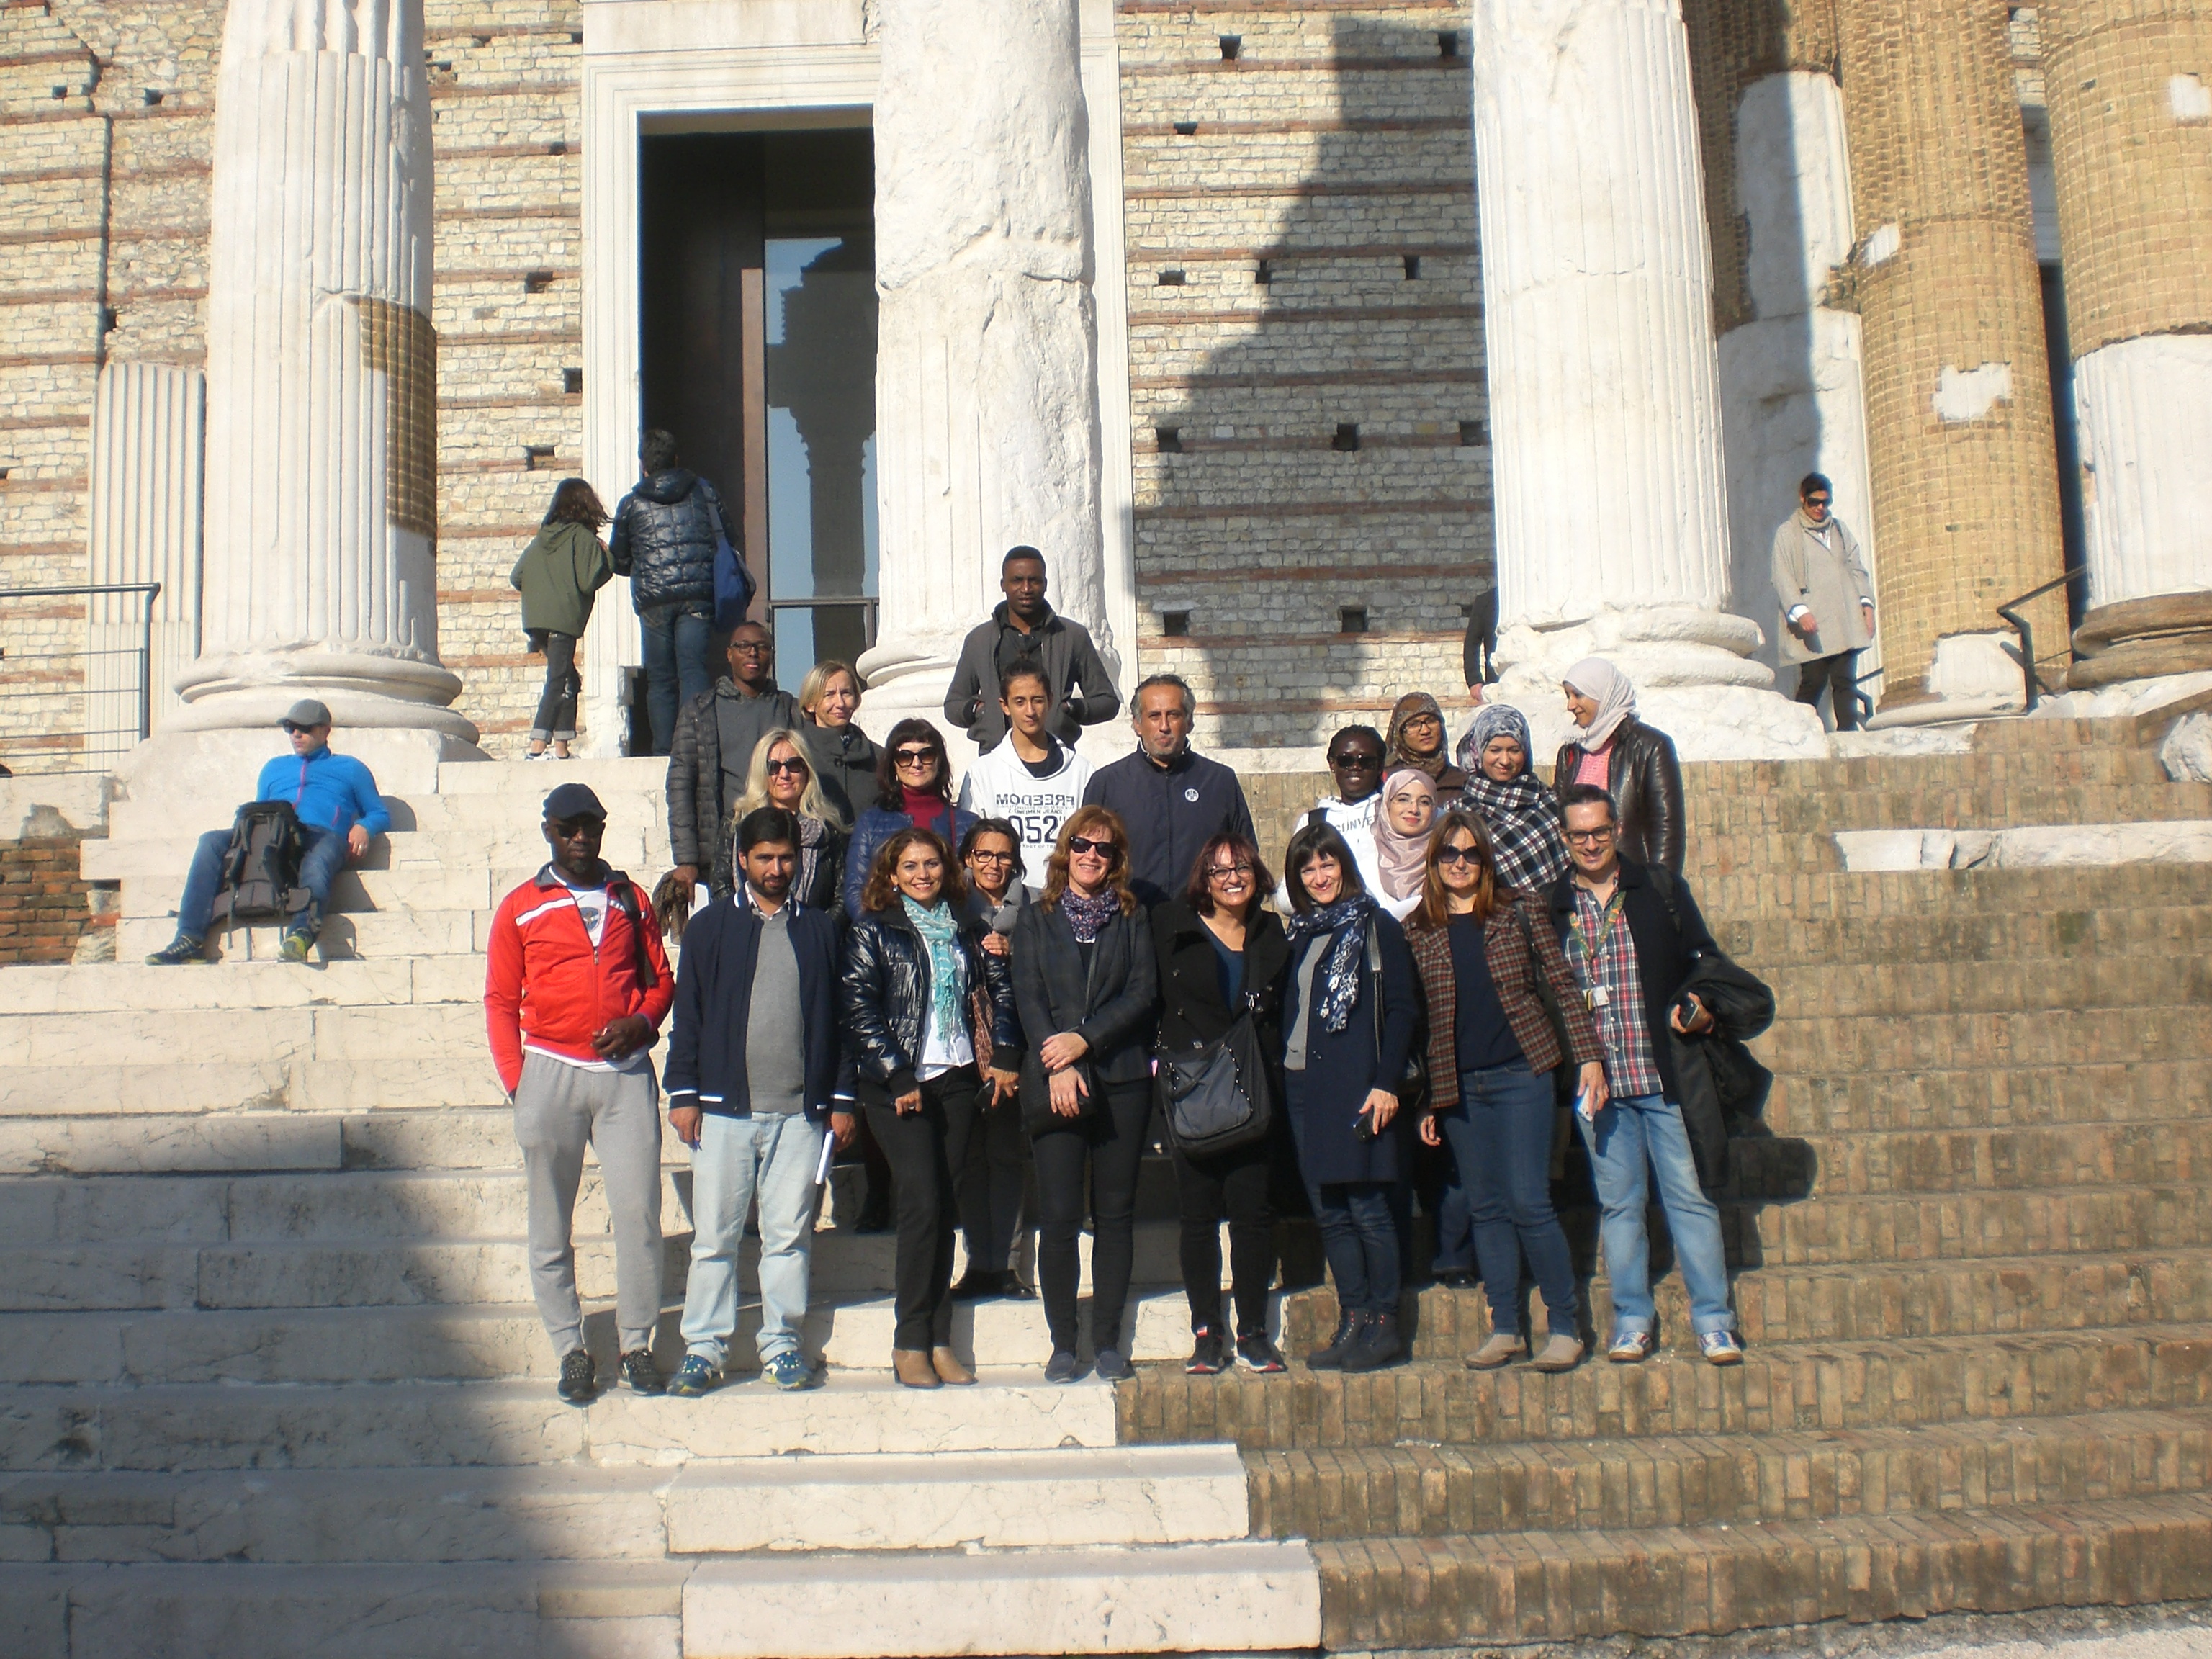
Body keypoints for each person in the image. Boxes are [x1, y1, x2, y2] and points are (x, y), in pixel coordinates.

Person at [483, 783, 675, 1405]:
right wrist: (518, 1082)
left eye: (590, 827)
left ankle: (636, 1342)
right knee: (550, 1223)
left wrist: (642, 1022)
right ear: (549, 832)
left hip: (624, 1074)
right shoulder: (521, 906)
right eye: (568, 829)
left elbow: (661, 979)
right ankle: (570, 1346)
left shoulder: (630, 898)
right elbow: (500, 999)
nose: (580, 838)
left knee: (638, 1215)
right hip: (550, 1069)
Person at [663, 808, 856, 1397]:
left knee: (789, 1238)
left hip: (800, 1115)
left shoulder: (820, 930)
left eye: (786, 858)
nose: (776, 868)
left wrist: (842, 1096)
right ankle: (703, 1348)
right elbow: (689, 1014)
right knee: (715, 1240)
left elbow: (840, 1022)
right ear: (742, 860)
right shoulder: (710, 928)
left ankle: (781, 1344)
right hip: (724, 1111)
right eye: (765, 857)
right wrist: (684, 1092)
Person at [1549, 783, 1743, 1367]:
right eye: (1578, 835)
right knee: (1620, 1207)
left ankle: (1714, 1321)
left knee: (1690, 1200)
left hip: (1662, 1077)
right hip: (1599, 1087)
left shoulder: (1658, 889)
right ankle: (1632, 1319)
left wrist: (1700, 1005)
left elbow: (1704, 959)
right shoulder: (1553, 904)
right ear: (1564, 838)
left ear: (1617, 830)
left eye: (1600, 832)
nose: (1590, 844)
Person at [1408, 809, 1606, 1374]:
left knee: (1528, 1201)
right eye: (1450, 854)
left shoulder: (1518, 909)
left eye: (1471, 853)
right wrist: (1427, 1097)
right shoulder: (1419, 928)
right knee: (1487, 1207)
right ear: (1435, 861)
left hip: (1523, 1071)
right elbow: (1420, 1018)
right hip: (1460, 1085)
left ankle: (1565, 1324)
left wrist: (1589, 1054)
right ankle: (1505, 1326)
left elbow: (1560, 981)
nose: (1460, 863)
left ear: (1486, 859)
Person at [840, 827, 1020, 1388]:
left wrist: (1006, 1053)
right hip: (899, 1088)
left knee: (946, 1207)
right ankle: (910, 1340)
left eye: (932, 864)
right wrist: (896, 1074)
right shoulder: (874, 931)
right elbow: (859, 1007)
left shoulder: (969, 928)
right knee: (921, 1203)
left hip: (958, 1079)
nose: (923, 875)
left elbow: (1000, 992)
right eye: (911, 866)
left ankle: (940, 1340)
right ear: (892, 876)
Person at [1012, 807, 1160, 1383]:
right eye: (1081, 844)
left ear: (1116, 858)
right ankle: (1063, 1343)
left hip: (1121, 1076)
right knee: (1059, 1215)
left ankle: (1106, 1340)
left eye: (1103, 848)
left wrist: (1085, 1039)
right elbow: (1028, 996)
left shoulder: (1132, 916)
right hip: (1056, 1079)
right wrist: (1059, 1060)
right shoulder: (1036, 917)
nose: (1091, 855)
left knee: (1115, 1215)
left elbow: (1142, 992)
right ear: (1065, 850)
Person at [1279, 822, 1419, 1374]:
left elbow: (1403, 1008)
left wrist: (1386, 1082)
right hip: (1303, 1082)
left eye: (1327, 863)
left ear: (1345, 865)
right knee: (1331, 1212)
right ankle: (1353, 1316)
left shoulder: (1376, 925)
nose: (1319, 876)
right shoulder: (1301, 933)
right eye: (1308, 868)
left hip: (1357, 1084)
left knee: (1366, 1207)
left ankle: (1384, 1322)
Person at [1152, 833, 1290, 1375]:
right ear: (1204, 880)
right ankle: (1207, 1331)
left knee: (1253, 1217)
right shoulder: (1172, 927)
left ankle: (1253, 1330)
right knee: (1199, 1217)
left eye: (1243, 869)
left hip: (1253, 1089)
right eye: (1220, 870)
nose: (1233, 878)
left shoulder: (1270, 933)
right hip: (1193, 1091)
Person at [146, 700, 392, 966]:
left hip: (321, 835)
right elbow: (260, 809)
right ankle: (189, 938)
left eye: (305, 728)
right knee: (211, 841)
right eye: (290, 728)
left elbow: (379, 813)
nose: (296, 734)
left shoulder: (351, 768)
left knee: (318, 859)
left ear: (325, 730)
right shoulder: (274, 768)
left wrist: (364, 827)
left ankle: (301, 933)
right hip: (277, 831)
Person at [609, 428, 734, 755]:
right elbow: (727, 536)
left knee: (661, 678)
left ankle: (665, 751)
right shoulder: (703, 492)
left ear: (643, 465)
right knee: (693, 669)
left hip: (654, 600)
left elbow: (618, 559)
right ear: (676, 459)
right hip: (697, 595)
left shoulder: (631, 504)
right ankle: (695, 746)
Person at [1082, 674, 1255, 909]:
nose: (1164, 727)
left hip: (1203, 921)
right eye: (1154, 716)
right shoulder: (1107, 784)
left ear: (1189, 722)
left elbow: (1247, 859)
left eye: (1173, 715)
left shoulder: (1220, 781)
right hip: (1130, 921)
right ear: (1137, 724)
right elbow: (1085, 861)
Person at [951, 819, 1035, 1301]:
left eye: (1003, 856)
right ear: (968, 858)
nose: (993, 865)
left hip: (1013, 1050)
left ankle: (1006, 1264)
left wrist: (1015, 949)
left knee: (1005, 1156)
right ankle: (976, 1262)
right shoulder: (950, 905)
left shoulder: (1037, 908)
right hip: (961, 1052)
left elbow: (1053, 967)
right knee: (970, 1158)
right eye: (984, 854)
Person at [666, 622, 804, 902]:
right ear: (729, 654)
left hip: (780, 846)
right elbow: (680, 786)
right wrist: (686, 859)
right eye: (743, 646)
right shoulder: (700, 711)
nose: (753, 653)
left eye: (762, 647)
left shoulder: (790, 709)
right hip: (725, 847)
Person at [944, 546, 1121, 752]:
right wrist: (982, 711)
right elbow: (953, 704)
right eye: (1017, 580)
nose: (1026, 589)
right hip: (995, 756)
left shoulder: (1072, 636)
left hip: (1056, 755)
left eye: (1034, 581)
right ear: (1003, 585)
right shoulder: (980, 640)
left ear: (1045, 585)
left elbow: (1107, 702)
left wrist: (1068, 710)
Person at [958, 658, 1094, 889]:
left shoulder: (1081, 771)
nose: (1030, 711)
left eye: (1037, 700)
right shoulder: (982, 773)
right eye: (1020, 702)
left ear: (1050, 701)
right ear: (1004, 705)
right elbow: (972, 849)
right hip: (1005, 899)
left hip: (1065, 897)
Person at [511, 477, 614, 760]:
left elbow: (516, 577)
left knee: (570, 680)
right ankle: (537, 746)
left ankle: (562, 748)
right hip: (563, 620)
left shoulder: (542, 538)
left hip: (536, 621)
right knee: (558, 679)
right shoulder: (582, 537)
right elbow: (588, 581)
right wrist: (608, 559)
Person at [1552, 657, 1683, 873]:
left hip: (1633, 878)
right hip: (1581, 880)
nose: (1571, 705)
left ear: (1602, 693)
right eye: (1568, 696)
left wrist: (1661, 885)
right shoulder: (1571, 752)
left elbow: (1666, 826)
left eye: (1578, 695)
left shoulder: (1649, 747)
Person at [1771, 472, 1876, 732]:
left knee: (1845, 680)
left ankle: (1848, 733)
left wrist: (1867, 606)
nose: (1820, 508)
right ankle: (1797, 732)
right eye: (1814, 502)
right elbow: (1782, 575)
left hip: (1845, 619)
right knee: (1814, 679)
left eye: (1825, 502)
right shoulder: (1789, 533)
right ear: (1803, 499)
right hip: (1814, 620)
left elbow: (1856, 568)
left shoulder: (1838, 530)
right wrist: (1800, 611)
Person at [842, 718, 977, 920]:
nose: (916, 764)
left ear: (939, 761)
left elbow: (976, 891)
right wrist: (882, 931)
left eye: (926, 755)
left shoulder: (967, 824)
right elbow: (855, 890)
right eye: (905, 756)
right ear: (893, 764)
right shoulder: (870, 822)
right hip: (889, 931)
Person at [719, 729, 848, 911]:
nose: (784, 774)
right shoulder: (736, 823)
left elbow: (842, 897)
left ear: (807, 770)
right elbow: (721, 885)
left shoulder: (828, 829)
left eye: (794, 765)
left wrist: (817, 926)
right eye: (773, 767)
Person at [1456, 703, 1570, 895]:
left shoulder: (1548, 800)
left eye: (1514, 750)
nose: (1505, 760)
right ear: (1478, 752)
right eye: (1495, 750)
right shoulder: (1464, 812)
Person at [1291, 725, 1388, 899]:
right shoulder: (1313, 822)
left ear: (1380, 765)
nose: (1355, 767)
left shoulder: (1396, 812)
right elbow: (1291, 888)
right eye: (1346, 760)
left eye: (1366, 761)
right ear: (1332, 764)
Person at [797, 660, 880, 822]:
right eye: (829, 695)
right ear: (810, 704)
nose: (840, 703)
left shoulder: (878, 757)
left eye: (846, 693)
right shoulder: (797, 753)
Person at [1369, 766, 1439, 921]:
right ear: (1387, 804)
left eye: (1424, 802)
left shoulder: (1446, 856)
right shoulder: (1365, 858)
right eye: (1403, 799)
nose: (1413, 809)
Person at [1386, 691, 1467, 790]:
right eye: (1414, 724)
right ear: (1400, 732)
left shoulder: (1462, 782)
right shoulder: (1386, 780)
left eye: (1431, 721)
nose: (1425, 731)